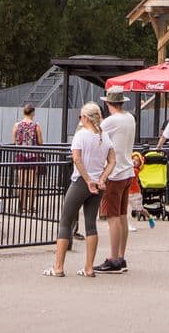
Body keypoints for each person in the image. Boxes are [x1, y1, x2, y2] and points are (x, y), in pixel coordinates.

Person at [48, 103, 113, 277]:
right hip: (98, 184)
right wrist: (102, 178)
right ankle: (89, 267)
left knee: (66, 221)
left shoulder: (81, 135)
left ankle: (58, 266)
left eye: (81, 116)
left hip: (81, 182)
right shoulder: (104, 136)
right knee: (91, 224)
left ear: (85, 118)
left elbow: (77, 158)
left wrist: (88, 179)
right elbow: (113, 161)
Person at [94, 91, 136, 273]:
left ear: (109, 103)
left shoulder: (111, 121)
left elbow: (94, 133)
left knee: (112, 217)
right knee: (121, 215)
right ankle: (120, 257)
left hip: (114, 173)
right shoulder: (130, 118)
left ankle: (113, 259)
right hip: (127, 170)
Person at [13, 103, 44, 216]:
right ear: (33, 113)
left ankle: (22, 207)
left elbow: (14, 141)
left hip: (21, 156)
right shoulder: (36, 126)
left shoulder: (17, 125)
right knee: (32, 183)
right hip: (32, 156)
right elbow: (40, 142)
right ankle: (31, 207)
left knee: (22, 182)